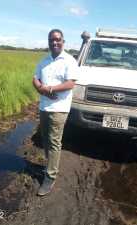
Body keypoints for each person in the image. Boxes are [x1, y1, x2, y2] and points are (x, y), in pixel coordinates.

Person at [32, 29, 78, 196]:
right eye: (51, 40)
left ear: (63, 41)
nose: (54, 42)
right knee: (45, 139)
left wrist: (50, 88)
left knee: (54, 142)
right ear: (49, 41)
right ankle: (51, 165)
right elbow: (35, 78)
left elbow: (70, 83)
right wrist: (40, 88)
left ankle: (50, 177)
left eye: (57, 39)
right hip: (44, 107)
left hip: (59, 109)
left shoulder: (69, 60)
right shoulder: (43, 60)